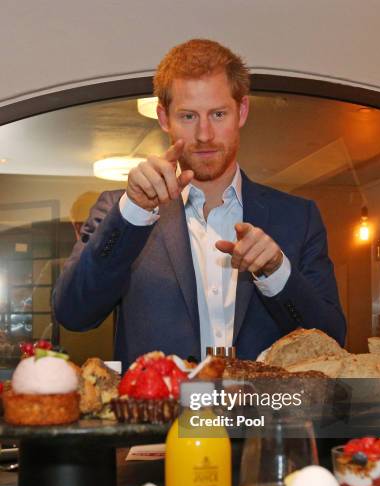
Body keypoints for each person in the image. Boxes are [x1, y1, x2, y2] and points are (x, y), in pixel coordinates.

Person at [53, 39, 346, 370]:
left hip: (265, 418)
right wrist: (134, 212)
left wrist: (277, 271)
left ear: (242, 112)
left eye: (218, 114)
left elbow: (333, 342)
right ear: (164, 118)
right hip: (162, 421)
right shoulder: (119, 211)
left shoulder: (298, 217)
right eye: (188, 116)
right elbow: (73, 314)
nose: (205, 134)